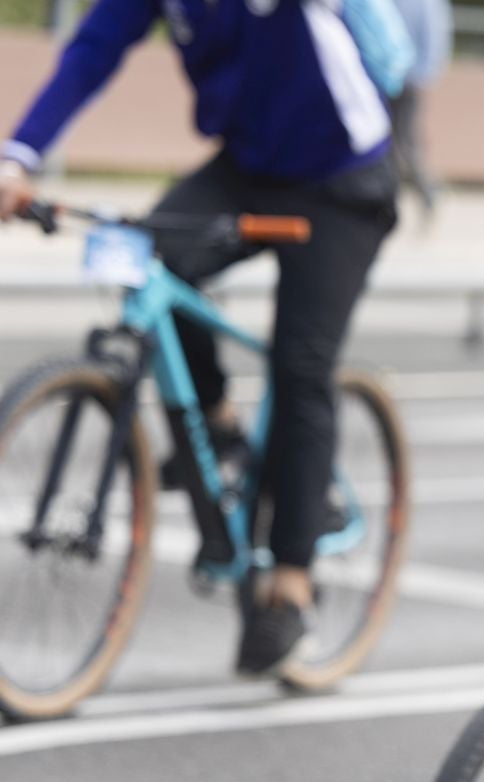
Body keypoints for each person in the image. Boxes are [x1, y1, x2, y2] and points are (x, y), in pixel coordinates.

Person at [0, 0, 406, 675]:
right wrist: (20, 154)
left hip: (342, 182)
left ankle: (293, 587)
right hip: (247, 169)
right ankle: (220, 430)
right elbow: (93, 50)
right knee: (151, 261)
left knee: (301, 366)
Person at [387, 0, 452, 219]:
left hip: (409, 79)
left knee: (406, 144)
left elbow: (434, 38)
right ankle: (389, 198)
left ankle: (428, 194)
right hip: (388, 77)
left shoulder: (427, 4)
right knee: (387, 143)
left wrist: (424, 75)